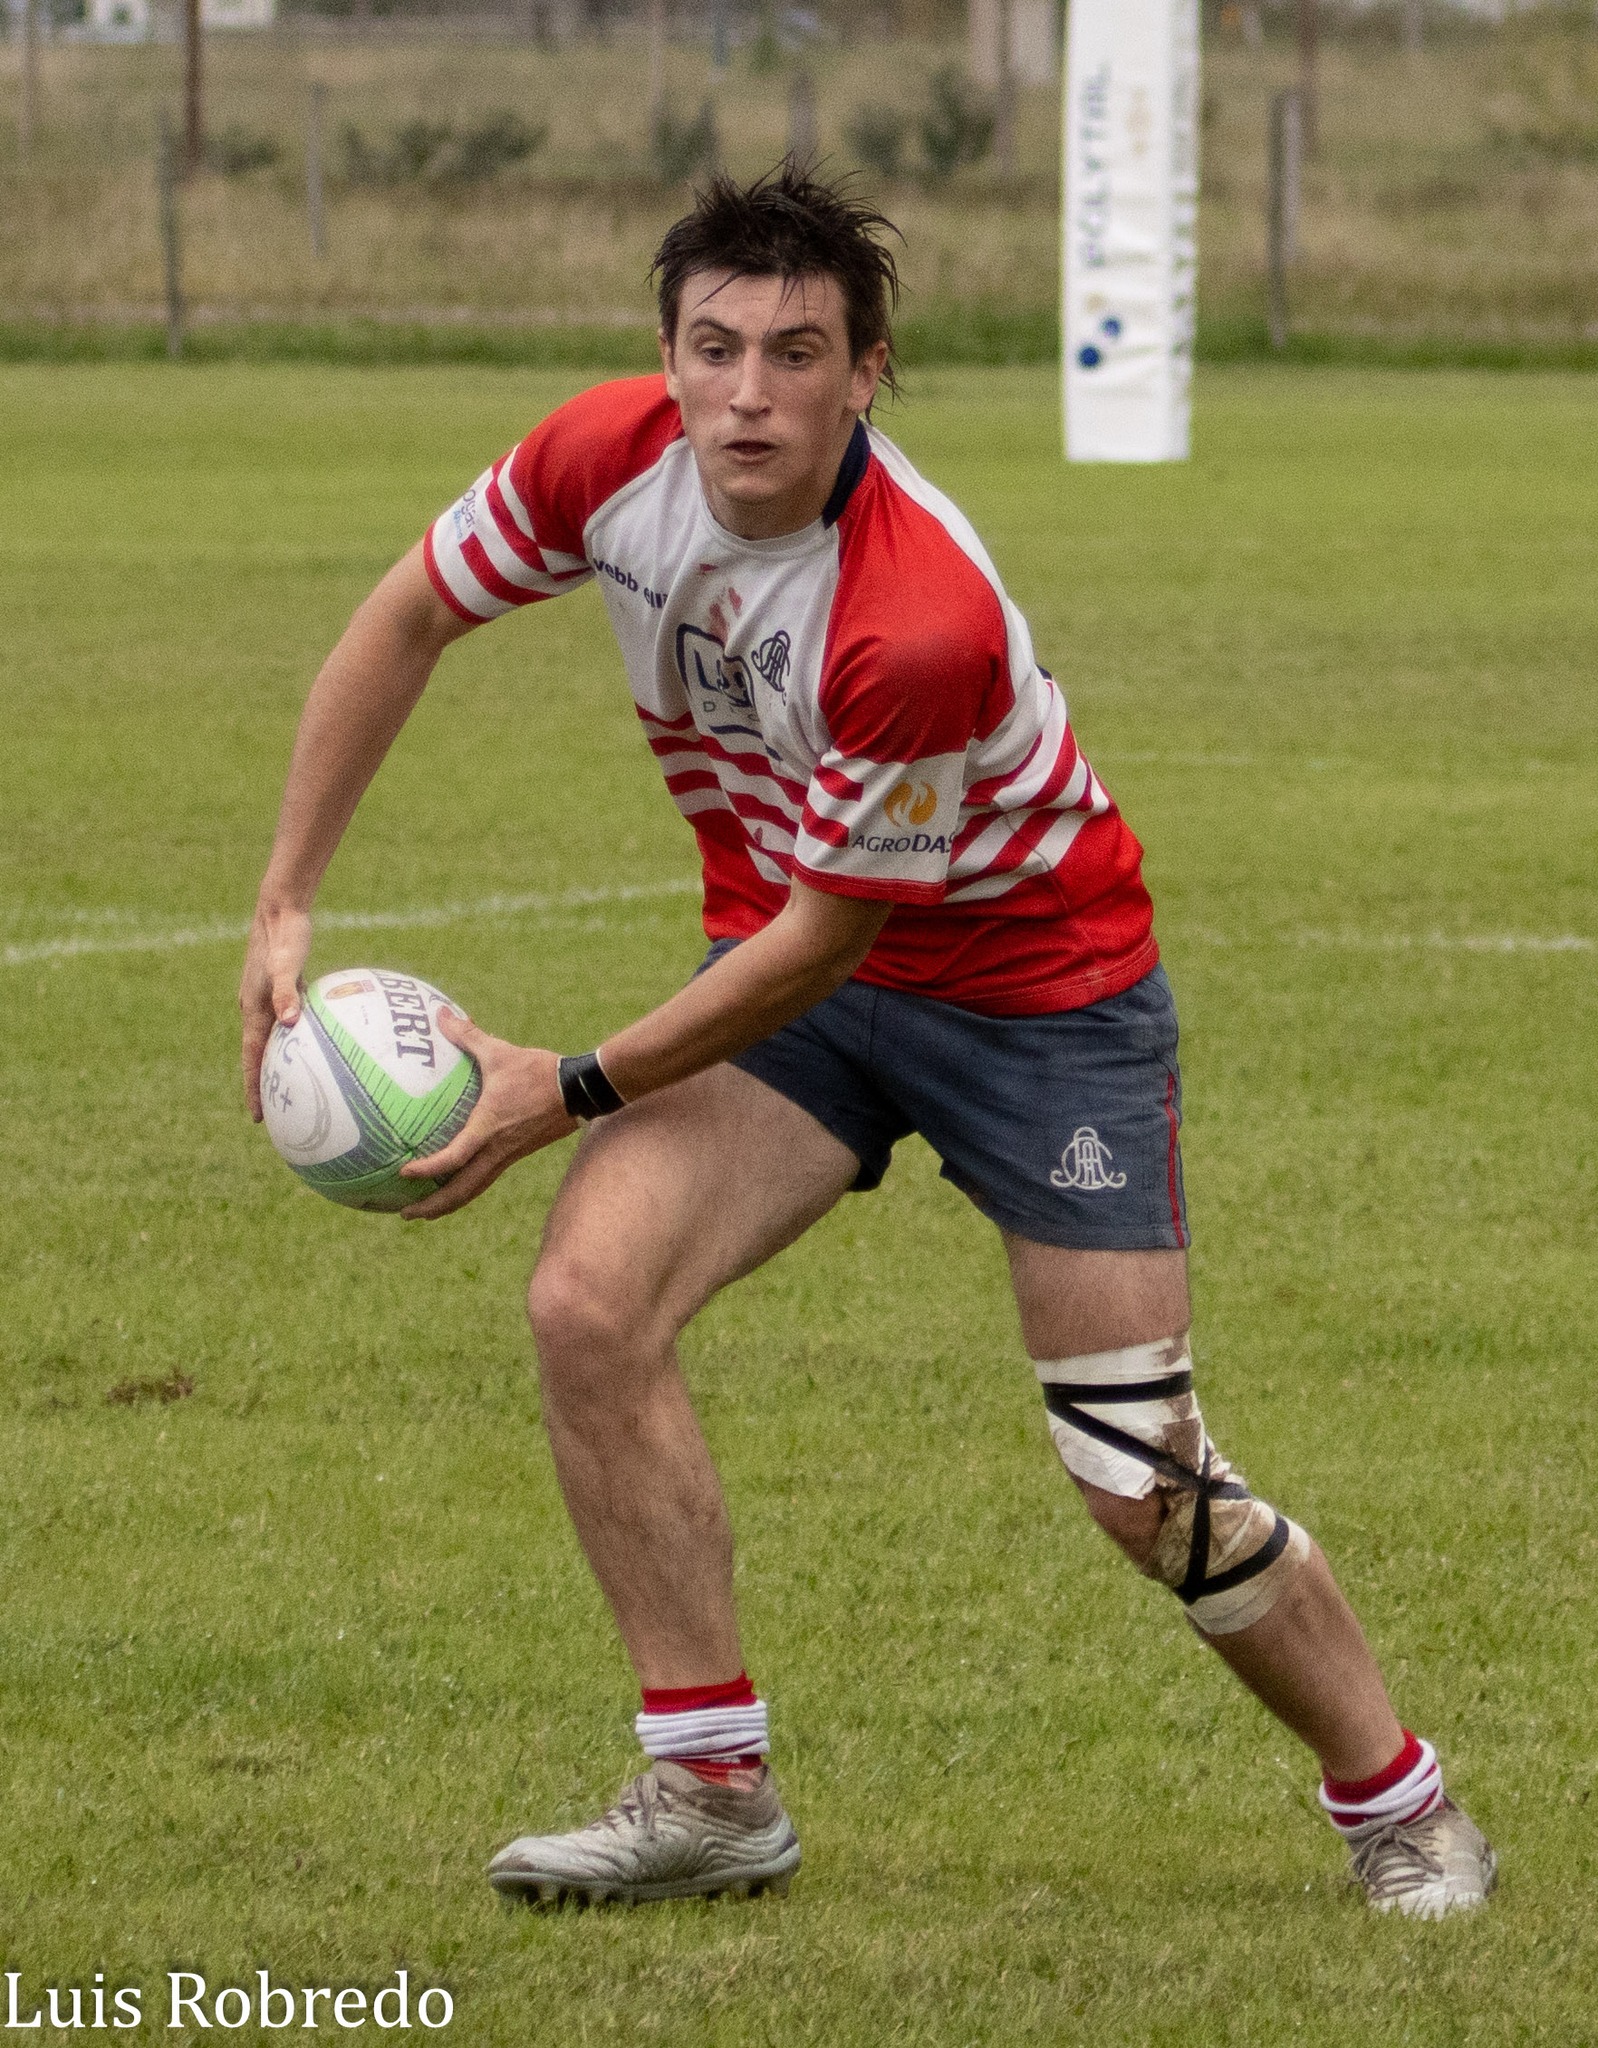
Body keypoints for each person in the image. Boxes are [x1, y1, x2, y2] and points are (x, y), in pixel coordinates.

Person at [239, 164, 1494, 1919]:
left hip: (1036, 1001)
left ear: (867, 371)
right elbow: (408, 615)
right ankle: (710, 1788)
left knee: (1135, 1476)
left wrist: (564, 1088)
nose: (750, 391)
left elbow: (835, 937)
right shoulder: (602, 460)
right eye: (716, 347)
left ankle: (1401, 1806)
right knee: (588, 1305)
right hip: (792, 985)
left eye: (797, 352)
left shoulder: (915, 615)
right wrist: (286, 899)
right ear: (664, 358)